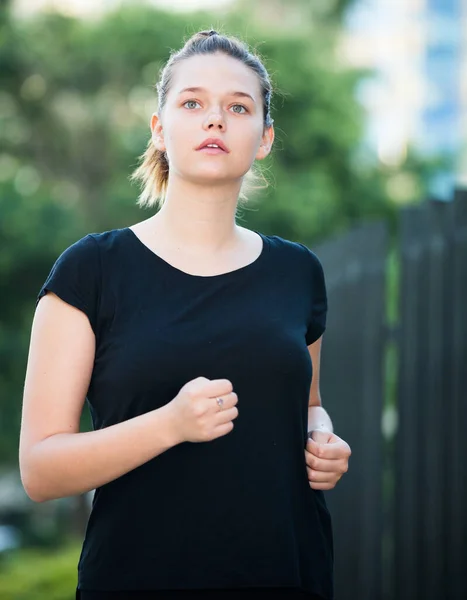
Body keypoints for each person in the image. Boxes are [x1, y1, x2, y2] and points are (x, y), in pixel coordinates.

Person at [19, 29, 351, 600]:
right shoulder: (91, 270)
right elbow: (41, 470)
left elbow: (309, 404)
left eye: (238, 107)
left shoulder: (298, 272)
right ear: (159, 128)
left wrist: (321, 436)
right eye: (192, 102)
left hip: (289, 575)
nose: (215, 119)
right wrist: (170, 425)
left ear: (264, 137)